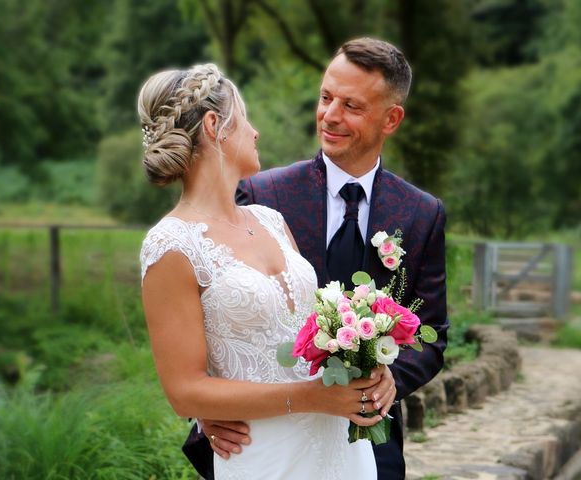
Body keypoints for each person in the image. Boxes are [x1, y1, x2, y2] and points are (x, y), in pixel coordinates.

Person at [188, 38, 449, 480]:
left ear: (392, 118)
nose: (329, 116)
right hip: (264, 438)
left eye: (351, 105)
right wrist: (206, 410)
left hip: (370, 437)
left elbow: (432, 333)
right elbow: (213, 311)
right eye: (326, 97)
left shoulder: (421, 213)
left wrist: (391, 378)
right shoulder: (262, 194)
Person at [138, 63, 397, 479]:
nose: (255, 132)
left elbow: (314, 331)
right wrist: (311, 398)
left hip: (340, 446)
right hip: (264, 454)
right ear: (213, 126)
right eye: (244, 120)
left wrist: (368, 363)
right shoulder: (171, 246)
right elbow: (185, 392)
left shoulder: (271, 221)